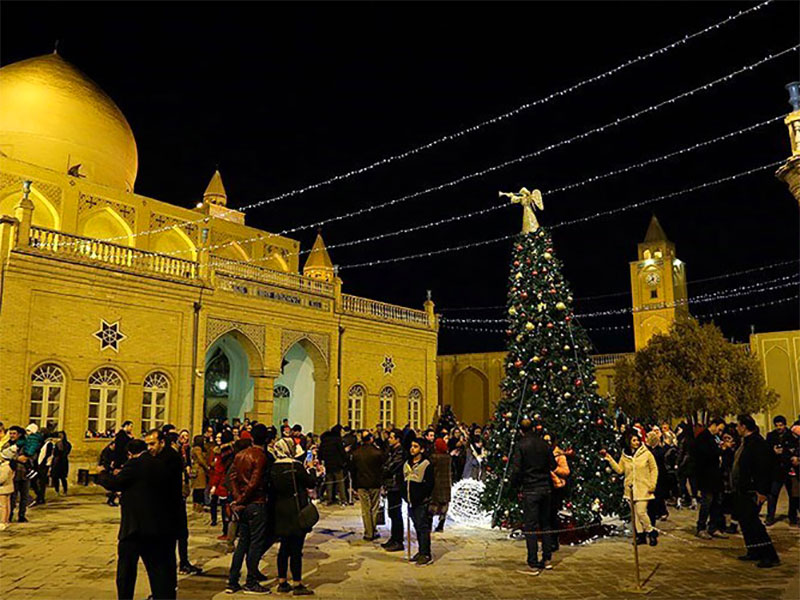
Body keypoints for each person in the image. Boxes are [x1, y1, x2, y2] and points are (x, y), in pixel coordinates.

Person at [98, 438, 176, 600]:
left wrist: (102, 473)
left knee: (126, 571)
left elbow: (115, 483)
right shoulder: (159, 465)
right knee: (157, 570)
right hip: (156, 526)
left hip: (134, 529)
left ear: (130, 453)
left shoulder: (134, 464)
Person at [145, 429, 202, 576]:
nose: (149, 448)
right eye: (148, 444)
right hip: (164, 506)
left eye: (152, 444)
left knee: (174, 540)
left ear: (162, 442)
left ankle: (177, 567)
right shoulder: (156, 457)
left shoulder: (169, 457)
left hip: (171, 506)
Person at [226, 423, 273, 594]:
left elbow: (231, 477)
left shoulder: (240, 455)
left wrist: (237, 498)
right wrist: (242, 499)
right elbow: (254, 483)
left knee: (242, 543)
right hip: (256, 503)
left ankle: (232, 581)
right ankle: (251, 581)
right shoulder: (261, 457)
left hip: (243, 504)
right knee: (255, 544)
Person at [271, 437, 318, 595]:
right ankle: (297, 583)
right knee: (296, 549)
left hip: (280, 510)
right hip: (295, 509)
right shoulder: (295, 466)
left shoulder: (273, 467)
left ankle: (282, 582)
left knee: (284, 547)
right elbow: (311, 482)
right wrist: (311, 468)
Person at [510, 418, 557, 574]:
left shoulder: (521, 445)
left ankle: (533, 562)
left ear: (521, 431)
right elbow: (553, 465)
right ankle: (547, 559)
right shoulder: (544, 444)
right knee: (545, 524)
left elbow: (517, 469)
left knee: (530, 527)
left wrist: (514, 486)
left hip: (530, 489)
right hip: (546, 488)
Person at [733, 415, 780, 568]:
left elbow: (763, 469)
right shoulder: (746, 443)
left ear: (744, 427)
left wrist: (762, 491)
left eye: (738, 425)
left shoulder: (758, 444)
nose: (737, 429)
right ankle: (753, 550)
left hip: (753, 490)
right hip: (743, 488)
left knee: (753, 522)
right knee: (745, 521)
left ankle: (769, 555)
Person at [603, 430, 659, 546]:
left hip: (644, 488)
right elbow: (620, 470)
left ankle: (651, 532)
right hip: (630, 489)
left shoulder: (646, 453)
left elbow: (654, 469)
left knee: (641, 512)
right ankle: (640, 535)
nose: (636, 442)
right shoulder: (625, 456)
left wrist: (652, 484)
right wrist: (610, 460)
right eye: (634, 440)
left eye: (637, 440)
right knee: (635, 516)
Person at [402, 437, 435, 565]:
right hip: (410, 501)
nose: (412, 449)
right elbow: (403, 480)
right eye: (412, 446)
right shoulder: (407, 463)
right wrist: (405, 496)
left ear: (422, 449)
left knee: (423, 527)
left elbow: (430, 484)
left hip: (421, 501)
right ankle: (421, 551)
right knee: (417, 526)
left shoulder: (426, 464)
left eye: (415, 446)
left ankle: (426, 553)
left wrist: (421, 496)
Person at [692, 418, 726, 538]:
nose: (720, 432)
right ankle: (701, 527)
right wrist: (721, 450)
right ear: (713, 425)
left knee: (716, 502)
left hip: (715, 476)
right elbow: (704, 455)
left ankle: (713, 527)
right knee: (707, 502)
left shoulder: (714, 438)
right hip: (706, 476)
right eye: (719, 429)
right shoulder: (703, 438)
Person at [765, 415, 799, 526]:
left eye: (781, 425)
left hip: (788, 469)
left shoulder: (791, 435)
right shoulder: (771, 436)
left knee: (793, 495)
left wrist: (785, 453)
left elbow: (794, 449)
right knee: (773, 494)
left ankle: (792, 517)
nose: (779, 427)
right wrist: (773, 451)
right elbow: (766, 450)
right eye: (777, 425)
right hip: (776, 470)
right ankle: (770, 516)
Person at [351, 431, 384, 541]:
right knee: (374, 508)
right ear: (371, 439)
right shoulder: (377, 452)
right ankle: (373, 530)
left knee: (365, 509)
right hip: (375, 483)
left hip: (361, 483)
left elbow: (353, 470)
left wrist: (354, 485)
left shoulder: (356, 453)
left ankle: (368, 532)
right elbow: (382, 469)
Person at [544, 432, 569, 552]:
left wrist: (554, 469)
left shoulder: (559, 455)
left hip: (555, 487)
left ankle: (554, 541)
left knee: (552, 516)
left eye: (549, 441)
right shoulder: (542, 453)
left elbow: (566, 471)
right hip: (544, 486)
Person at [381, 429, 406, 552]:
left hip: (396, 485)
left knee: (396, 513)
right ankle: (394, 537)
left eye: (391, 437)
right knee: (392, 513)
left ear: (398, 439)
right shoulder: (392, 450)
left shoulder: (400, 452)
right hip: (391, 485)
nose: (389, 439)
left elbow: (392, 467)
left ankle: (398, 540)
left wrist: (384, 469)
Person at [210, 430, 235, 539]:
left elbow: (219, 471)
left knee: (225, 509)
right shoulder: (233, 451)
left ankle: (227, 532)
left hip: (223, 484)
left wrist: (214, 485)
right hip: (232, 483)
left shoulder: (222, 453)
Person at [3, 426, 31, 522]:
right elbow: (4, 455)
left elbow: (32, 454)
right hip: (12, 473)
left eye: (14, 433)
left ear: (19, 434)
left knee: (24, 496)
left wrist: (27, 458)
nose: (12, 435)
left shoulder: (26, 444)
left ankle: (22, 515)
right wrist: (17, 458)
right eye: (10, 433)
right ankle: (9, 515)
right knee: (12, 497)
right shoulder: (7, 445)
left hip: (24, 472)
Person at [318, 425, 347, 506]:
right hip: (337, 464)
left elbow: (320, 452)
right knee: (340, 482)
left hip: (327, 463)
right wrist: (345, 460)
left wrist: (321, 460)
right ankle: (343, 499)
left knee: (329, 482)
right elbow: (342, 452)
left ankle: (329, 499)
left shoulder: (324, 440)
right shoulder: (337, 440)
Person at [429, 437, 451, 533]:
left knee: (433, 504)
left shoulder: (434, 457)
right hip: (446, 483)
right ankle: (440, 525)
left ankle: (429, 525)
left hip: (436, 483)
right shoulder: (448, 457)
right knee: (444, 504)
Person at [190, 435, 209, 514]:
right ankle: (198, 506)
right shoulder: (197, 449)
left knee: (198, 489)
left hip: (198, 469)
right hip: (199, 470)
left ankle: (198, 506)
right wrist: (207, 467)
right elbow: (200, 459)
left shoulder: (197, 448)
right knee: (199, 489)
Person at [0, 446, 17, 530]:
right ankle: (6, 520)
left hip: (3, 489)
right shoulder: (10, 466)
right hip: (9, 488)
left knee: (3, 506)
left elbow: (1, 479)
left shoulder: (5, 467)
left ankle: (3, 521)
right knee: (7, 505)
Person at [51, 431, 72, 495]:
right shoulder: (57, 444)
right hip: (57, 462)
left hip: (62, 462)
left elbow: (65, 452)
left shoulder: (66, 444)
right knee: (56, 477)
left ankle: (64, 490)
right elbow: (54, 453)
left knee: (62, 477)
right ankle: (57, 490)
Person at [99, 439, 118, 506]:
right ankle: (111, 499)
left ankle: (111, 499)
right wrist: (110, 465)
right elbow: (104, 461)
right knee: (114, 486)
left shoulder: (113, 452)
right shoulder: (106, 452)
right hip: (107, 472)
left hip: (110, 471)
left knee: (115, 486)